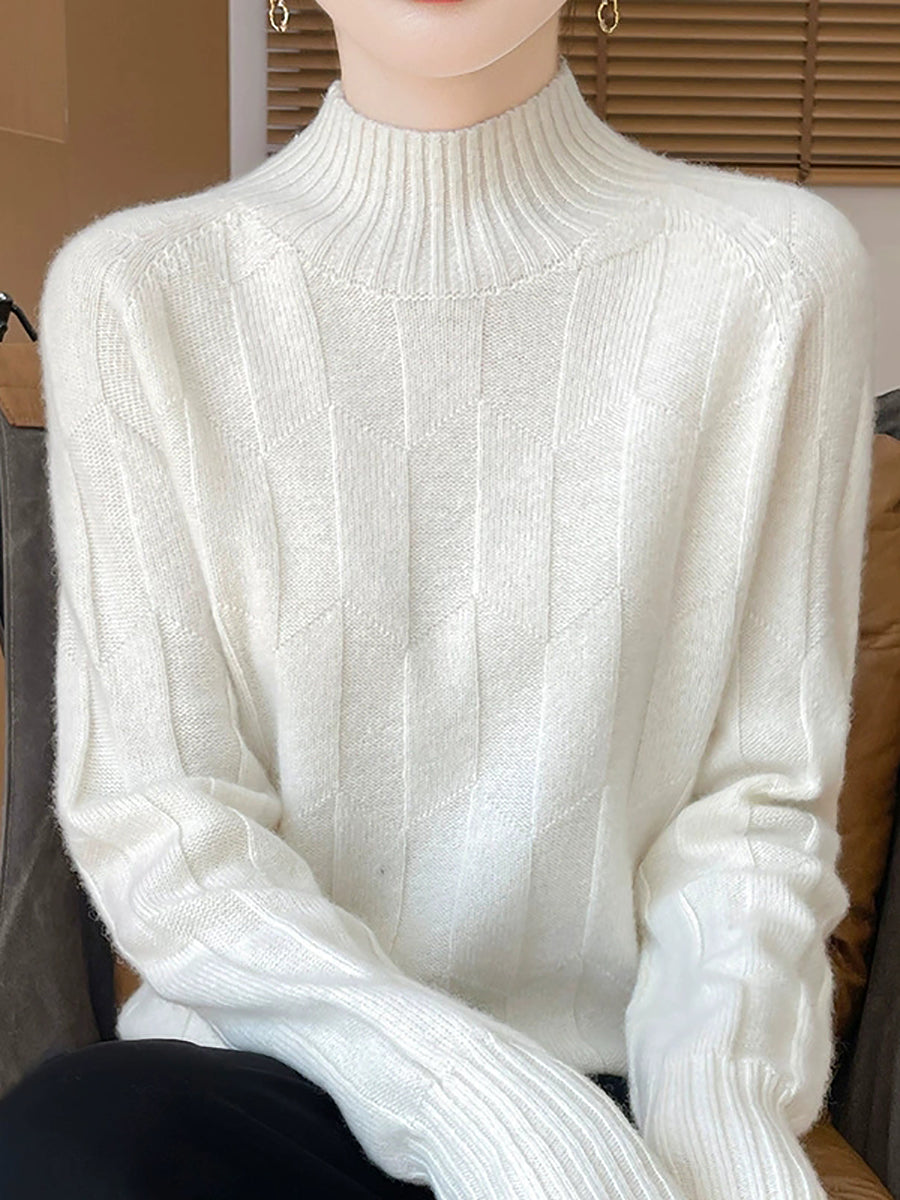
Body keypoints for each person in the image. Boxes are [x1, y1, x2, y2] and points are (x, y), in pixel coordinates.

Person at [0, 0, 876, 1196]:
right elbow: (166, 822)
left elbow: (754, 804)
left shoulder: (773, 273)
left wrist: (718, 1140)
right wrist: (476, 1111)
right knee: (66, 1143)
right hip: (275, 1086)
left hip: (631, 1094)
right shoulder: (137, 293)